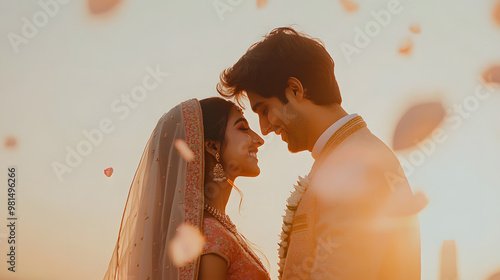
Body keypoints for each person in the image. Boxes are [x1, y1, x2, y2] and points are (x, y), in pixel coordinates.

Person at [218, 27, 422, 280]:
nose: (265, 128)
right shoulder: (348, 154)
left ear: (295, 90)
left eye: (264, 109)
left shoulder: (352, 164)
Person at [103, 97, 270, 280]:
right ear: (212, 145)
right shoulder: (211, 235)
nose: (259, 139)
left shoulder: (214, 228)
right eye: (243, 128)